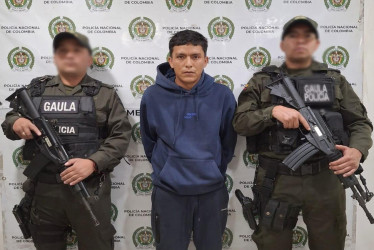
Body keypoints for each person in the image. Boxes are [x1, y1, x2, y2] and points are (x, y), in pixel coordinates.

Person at [233, 16, 373, 250]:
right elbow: (240, 122)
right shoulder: (262, 81)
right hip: (277, 179)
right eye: (292, 36)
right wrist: (272, 112)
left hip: (325, 179)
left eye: (307, 36)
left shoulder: (335, 80)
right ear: (283, 44)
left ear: (315, 43)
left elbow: (360, 123)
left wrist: (357, 151)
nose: (300, 41)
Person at [2, 31, 131, 250]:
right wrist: (15, 123)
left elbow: (120, 136)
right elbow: (10, 119)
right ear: (55, 58)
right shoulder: (36, 91)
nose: (69, 56)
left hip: (89, 190)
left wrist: (92, 163)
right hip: (44, 190)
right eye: (63, 51)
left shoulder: (105, 94)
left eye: (77, 51)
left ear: (89, 59)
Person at [140, 30, 237, 250]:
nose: (188, 64)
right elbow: (149, 141)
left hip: (211, 191)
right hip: (169, 192)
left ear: (206, 60)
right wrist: (166, 168)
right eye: (181, 56)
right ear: (171, 61)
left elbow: (228, 141)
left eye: (195, 56)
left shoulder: (222, 95)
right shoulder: (153, 96)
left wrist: (213, 169)